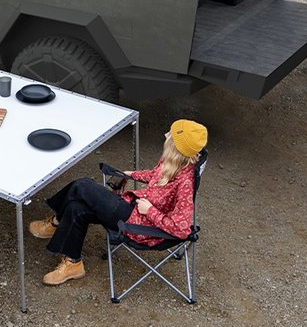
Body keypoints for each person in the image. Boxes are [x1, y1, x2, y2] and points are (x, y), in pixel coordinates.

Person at [29, 119, 208, 286]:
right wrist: (130, 174)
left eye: (170, 134)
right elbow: (155, 176)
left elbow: (182, 229)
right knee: (77, 207)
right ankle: (73, 263)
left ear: (177, 147)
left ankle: (55, 222)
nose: (165, 135)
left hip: (139, 225)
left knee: (83, 186)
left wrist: (150, 210)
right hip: (131, 207)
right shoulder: (173, 161)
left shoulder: (186, 183)